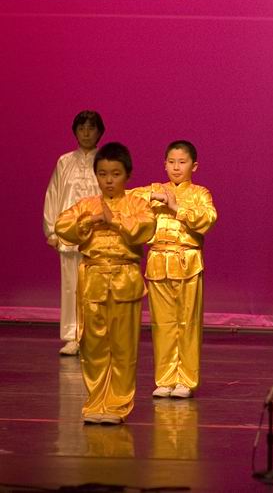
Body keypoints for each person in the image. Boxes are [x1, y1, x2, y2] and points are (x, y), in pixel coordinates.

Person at [55, 142, 156, 424]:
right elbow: (63, 226)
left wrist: (116, 220)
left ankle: (117, 404)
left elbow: (145, 228)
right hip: (93, 279)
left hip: (124, 278)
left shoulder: (137, 204)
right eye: (102, 174)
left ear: (128, 175)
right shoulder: (87, 205)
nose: (109, 180)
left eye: (115, 174)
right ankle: (96, 402)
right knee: (93, 345)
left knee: (123, 347)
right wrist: (91, 220)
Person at [132, 141, 217, 399]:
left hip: (188, 261)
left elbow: (208, 218)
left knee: (188, 323)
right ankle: (165, 378)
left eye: (182, 162)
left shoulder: (200, 193)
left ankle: (186, 380)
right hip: (159, 261)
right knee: (162, 324)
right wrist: (153, 196)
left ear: (194, 166)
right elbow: (127, 198)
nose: (176, 167)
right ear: (164, 165)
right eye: (171, 162)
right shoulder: (156, 189)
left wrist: (176, 207)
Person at [43, 110, 105, 355]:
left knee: (97, 287)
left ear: (99, 132)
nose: (86, 133)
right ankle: (72, 336)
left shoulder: (105, 161)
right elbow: (53, 194)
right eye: (81, 128)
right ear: (75, 132)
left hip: (99, 235)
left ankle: (96, 335)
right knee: (71, 286)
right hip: (70, 234)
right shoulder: (64, 161)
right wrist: (52, 230)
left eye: (91, 128)